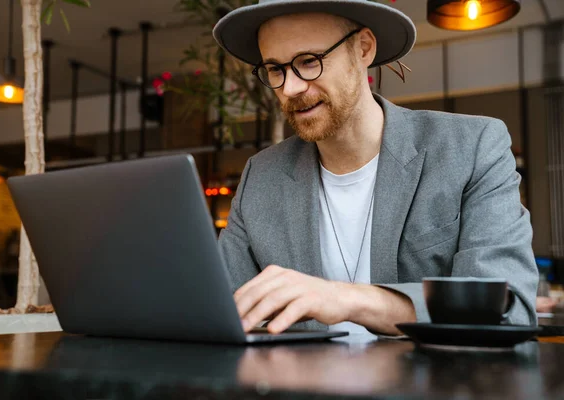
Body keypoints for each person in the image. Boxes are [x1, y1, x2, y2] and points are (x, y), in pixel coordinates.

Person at [212, 0, 538, 337]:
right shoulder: (261, 177)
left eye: (309, 62)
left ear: (364, 48)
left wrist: (349, 299)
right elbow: (219, 312)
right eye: (275, 70)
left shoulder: (471, 147)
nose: (290, 88)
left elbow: (511, 309)